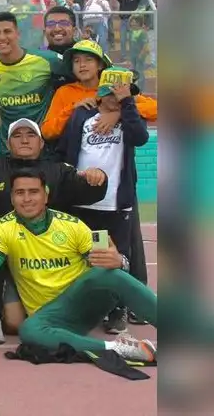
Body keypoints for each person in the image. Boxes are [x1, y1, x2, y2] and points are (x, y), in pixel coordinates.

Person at [0, 170, 157, 362]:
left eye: (33, 192)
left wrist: (119, 261)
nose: (26, 199)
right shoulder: (2, 228)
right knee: (28, 331)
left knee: (108, 274)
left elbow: (106, 259)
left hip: (83, 303)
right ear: (12, 197)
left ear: (46, 195)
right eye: (20, 193)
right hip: (49, 317)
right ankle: (117, 349)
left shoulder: (73, 225)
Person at [57, 68, 150, 333]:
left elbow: (141, 137)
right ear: (99, 95)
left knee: (116, 258)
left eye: (121, 95)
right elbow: (66, 151)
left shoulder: (129, 117)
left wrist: (125, 105)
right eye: (111, 94)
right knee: (86, 258)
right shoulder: (82, 116)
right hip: (83, 204)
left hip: (114, 205)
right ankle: (86, 306)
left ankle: (117, 309)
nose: (116, 99)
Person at [0, 11, 68, 154]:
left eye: (7, 31)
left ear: (18, 33)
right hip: (7, 152)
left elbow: (84, 73)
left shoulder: (47, 60)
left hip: (44, 151)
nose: (2, 37)